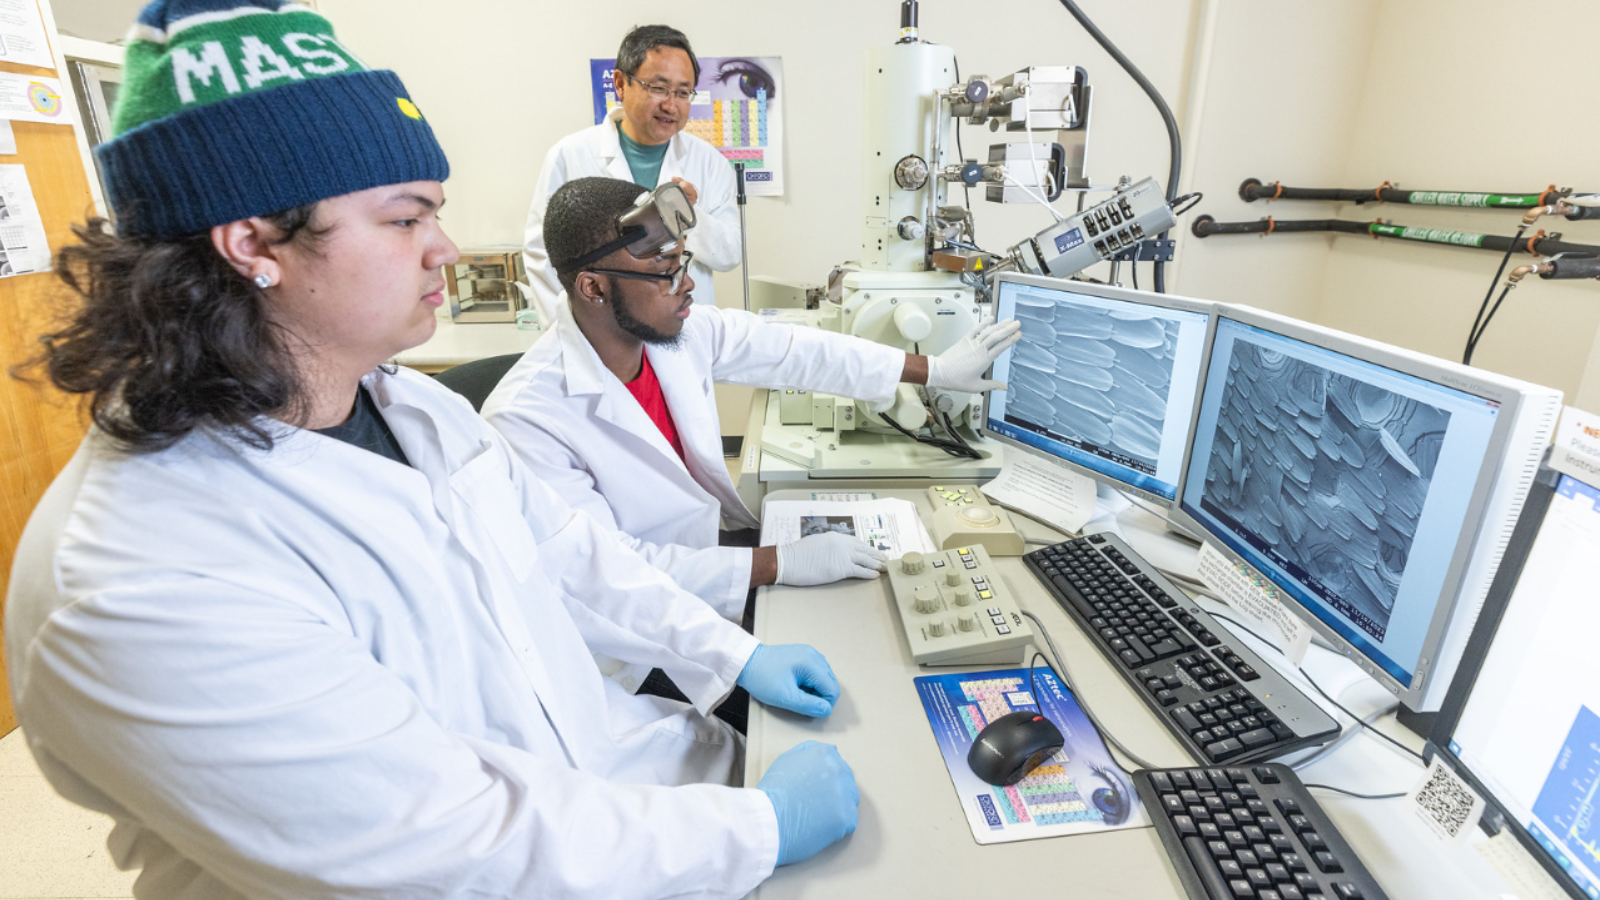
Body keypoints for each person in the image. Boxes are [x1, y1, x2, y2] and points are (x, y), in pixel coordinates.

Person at [4, 3, 857, 898]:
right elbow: (445, 849)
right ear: (254, 242)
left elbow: (568, 550)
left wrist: (730, 652)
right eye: (406, 219)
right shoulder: (142, 581)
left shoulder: (410, 406)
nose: (446, 250)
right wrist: (753, 831)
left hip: (623, 791)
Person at [482, 177, 1023, 653]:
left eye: (683, 261)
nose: (686, 283)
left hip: (708, 557)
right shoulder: (526, 418)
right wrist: (778, 564)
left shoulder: (677, 335)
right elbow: (606, 577)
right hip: (642, 636)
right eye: (662, 270)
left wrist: (933, 369)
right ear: (593, 286)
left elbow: (795, 351)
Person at [522, 24, 739, 326]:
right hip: (599, 332)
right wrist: (567, 334)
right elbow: (541, 254)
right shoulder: (570, 155)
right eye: (659, 88)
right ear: (621, 84)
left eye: (683, 92)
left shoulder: (710, 162)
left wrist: (689, 216)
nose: (671, 105)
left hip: (683, 329)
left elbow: (729, 254)